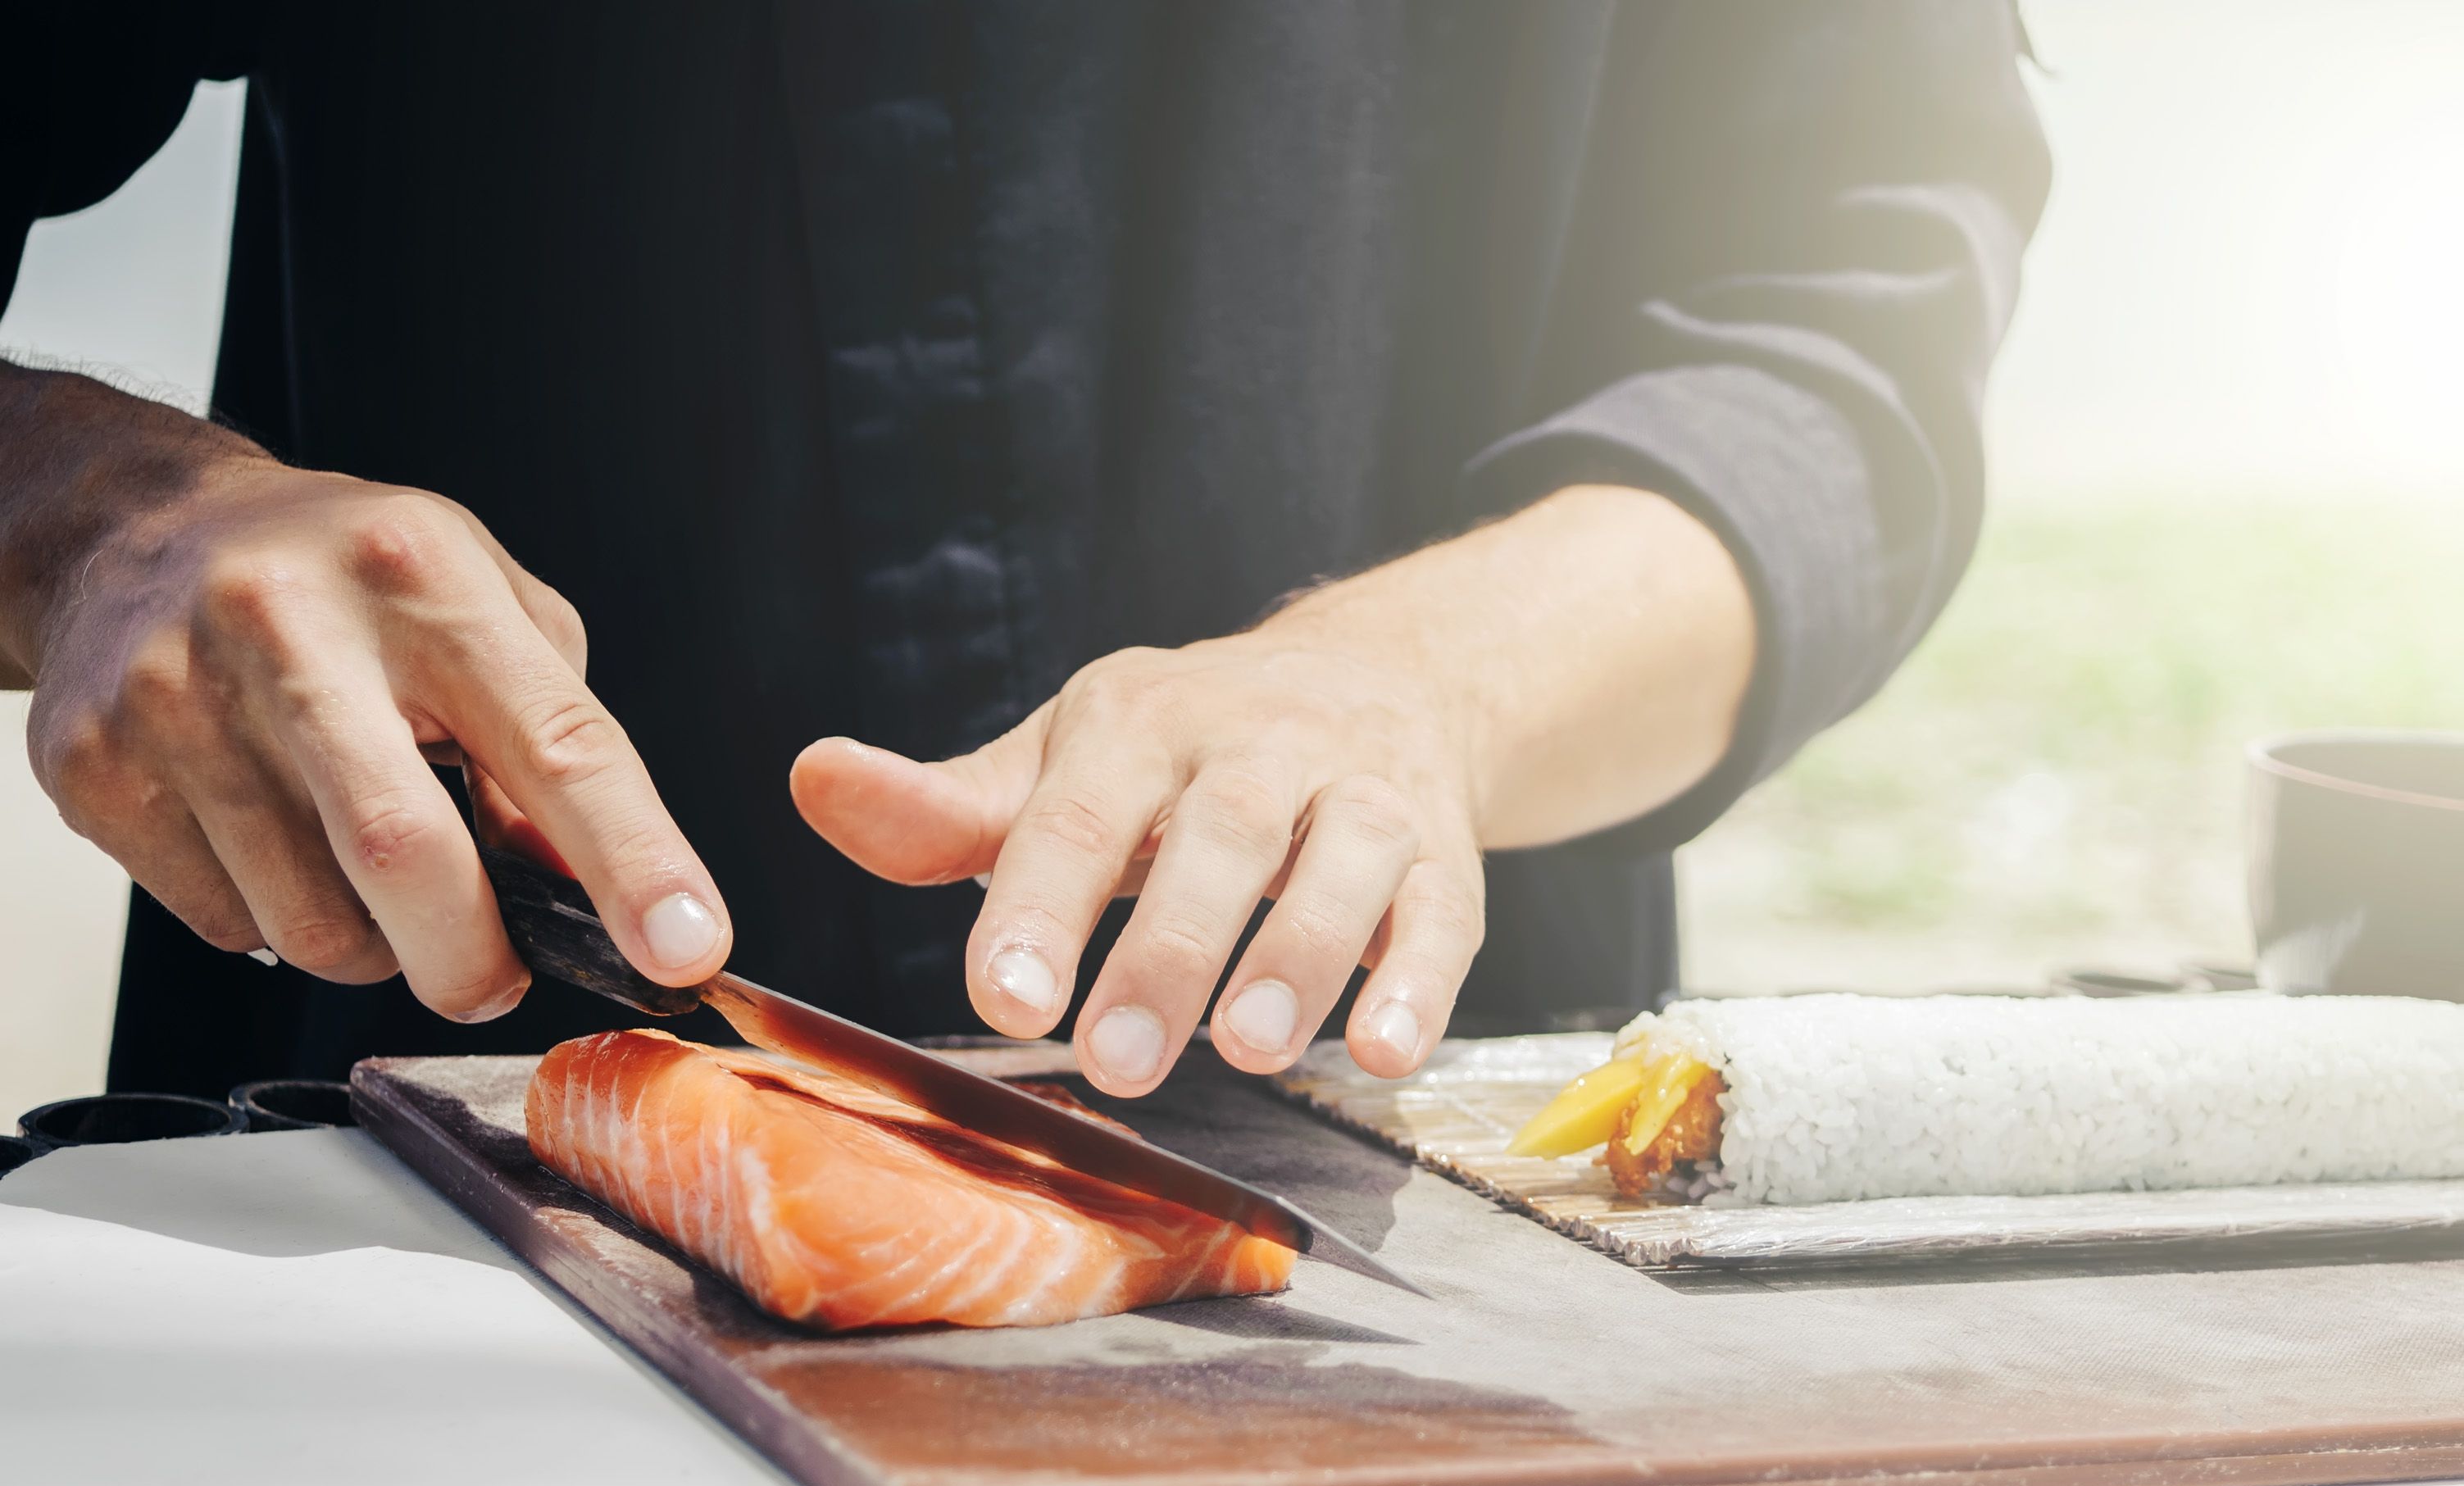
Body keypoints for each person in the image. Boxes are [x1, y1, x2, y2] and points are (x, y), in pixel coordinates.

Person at [0, 5, 2048, 1101]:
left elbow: (1843, 352)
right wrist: (104, 526)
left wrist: (1429, 683)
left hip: (1415, 1191)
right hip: (426, 1152)